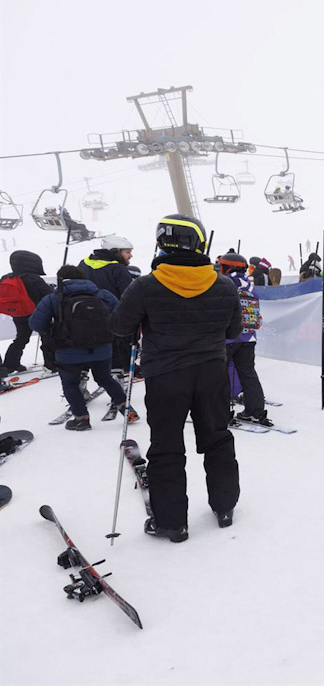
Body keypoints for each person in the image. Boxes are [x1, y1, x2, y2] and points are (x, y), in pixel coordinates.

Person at [109, 214, 243, 542]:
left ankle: (172, 524)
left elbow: (118, 327)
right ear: (198, 243)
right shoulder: (224, 284)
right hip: (211, 372)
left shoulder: (145, 285)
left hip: (165, 375)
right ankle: (224, 507)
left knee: (167, 446)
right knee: (217, 437)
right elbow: (234, 331)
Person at [28, 266, 135, 431]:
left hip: (68, 351)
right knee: (105, 378)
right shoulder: (103, 294)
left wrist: (55, 329)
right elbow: (120, 316)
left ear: (60, 280)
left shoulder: (53, 298)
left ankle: (81, 418)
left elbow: (36, 324)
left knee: (71, 384)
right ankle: (126, 409)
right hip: (102, 348)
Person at [216, 252, 271, 426]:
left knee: (220, 376)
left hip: (227, 338)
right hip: (248, 338)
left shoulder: (224, 283)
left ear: (227, 267)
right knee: (248, 374)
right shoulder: (250, 285)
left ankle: (221, 413)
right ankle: (255, 411)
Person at [80, 236, 138, 373]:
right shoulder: (118, 269)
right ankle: (123, 368)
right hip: (114, 315)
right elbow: (129, 294)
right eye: (127, 252)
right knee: (119, 342)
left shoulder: (83, 264)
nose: (131, 256)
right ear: (115, 251)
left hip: (86, 315)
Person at [1, 250, 51, 376]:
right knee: (47, 338)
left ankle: (10, 364)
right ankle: (51, 364)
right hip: (38, 313)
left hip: (18, 314)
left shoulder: (7, 277)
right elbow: (48, 294)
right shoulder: (34, 278)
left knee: (21, 338)